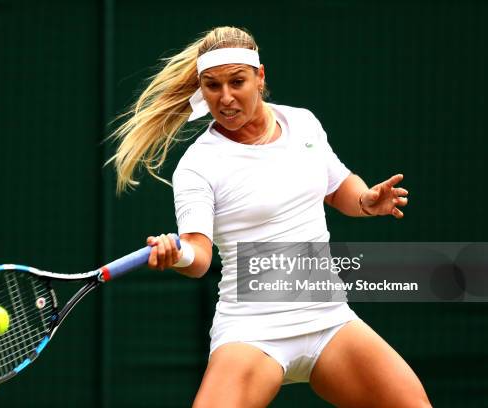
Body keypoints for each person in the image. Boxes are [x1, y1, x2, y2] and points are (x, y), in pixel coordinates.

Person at [109, 26, 431, 408]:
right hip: (252, 331)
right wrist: (176, 254)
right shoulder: (198, 165)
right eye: (212, 86)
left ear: (260, 77)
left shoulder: (303, 124)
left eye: (237, 82)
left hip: (328, 319)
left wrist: (365, 200)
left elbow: (338, 186)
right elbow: (199, 257)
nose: (225, 97)